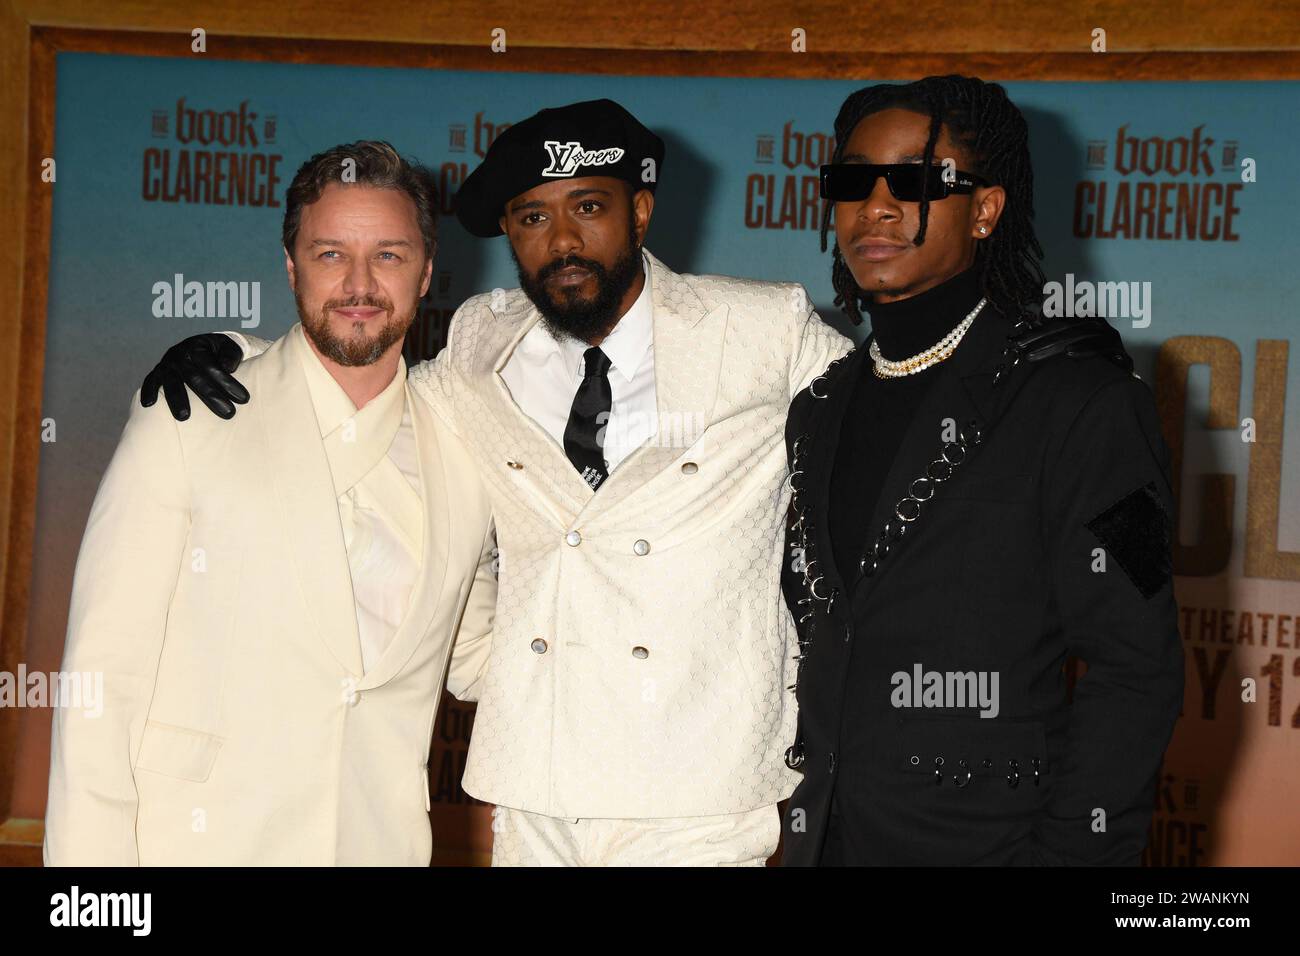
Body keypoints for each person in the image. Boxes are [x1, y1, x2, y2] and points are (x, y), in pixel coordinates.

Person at [135, 99, 854, 866]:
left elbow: (892, 414)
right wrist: (236, 352)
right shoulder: (481, 342)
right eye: (532, 218)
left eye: (588, 207)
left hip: (700, 784)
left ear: (639, 212)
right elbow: (377, 389)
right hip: (534, 783)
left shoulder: (762, 331)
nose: (564, 240)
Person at [44, 141, 499, 865]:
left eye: (387, 255)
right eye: (329, 255)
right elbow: (105, 676)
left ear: (426, 273)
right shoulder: (192, 412)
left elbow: (479, 655)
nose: (359, 283)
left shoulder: (468, 450)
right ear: (291, 268)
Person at [778, 75, 1184, 865]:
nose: (879, 205)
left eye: (919, 180)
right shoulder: (820, 408)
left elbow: (1138, 664)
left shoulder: (1088, 404)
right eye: (854, 180)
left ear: (987, 209)